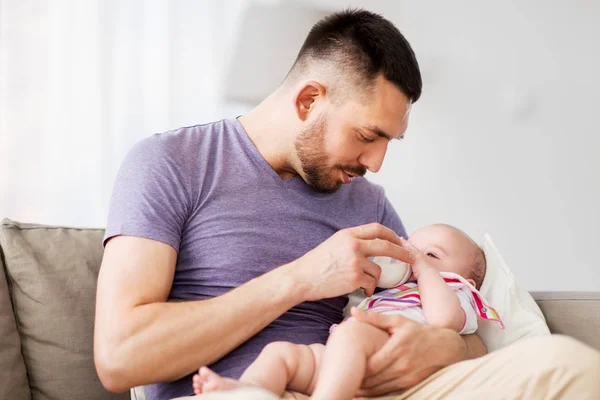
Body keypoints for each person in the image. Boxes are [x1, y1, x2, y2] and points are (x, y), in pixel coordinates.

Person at [94, 8, 600, 400]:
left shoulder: (370, 206)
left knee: (570, 367)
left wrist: (440, 346)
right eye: (367, 136)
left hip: (366, 386)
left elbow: (453, 327)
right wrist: (301, 278)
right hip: (242, 389)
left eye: (389, 144)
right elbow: (119, 357)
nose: (376, 164)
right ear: (309, 100)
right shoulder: (171, 163)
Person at [190, 224, 504, 400]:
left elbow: (444, 322)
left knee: (355, 332)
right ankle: (245, 392)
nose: (414, 255)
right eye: (412, 245)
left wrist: (424, 269)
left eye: (432, 254)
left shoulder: (455, 290)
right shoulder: (395, 289)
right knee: (281, 354)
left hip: (385, 363)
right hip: (342, 362)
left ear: (468, 280)